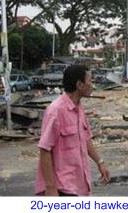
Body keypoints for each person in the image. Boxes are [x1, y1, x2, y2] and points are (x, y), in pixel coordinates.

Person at [35, 65, 110, 196]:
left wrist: (100, 162)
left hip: (80, 184)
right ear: (79, 84)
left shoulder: (78, 107)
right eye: (90, 81)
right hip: (63, 188)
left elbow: (85, 139)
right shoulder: (56, 111)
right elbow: (44, 149)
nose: (92, 85)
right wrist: (50, 188)